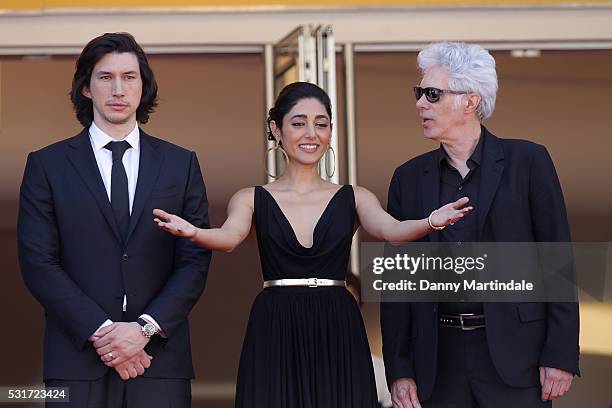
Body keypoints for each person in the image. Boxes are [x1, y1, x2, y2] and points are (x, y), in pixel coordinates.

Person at [153, 81, 470, 408]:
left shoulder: (354, 197)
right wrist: (194, 233)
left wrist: (431, 221)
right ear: (276, 129)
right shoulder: (251, 198)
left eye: (321, 124)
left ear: (331, 131)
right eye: (298, 123)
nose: (311, 133)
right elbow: (229, 237)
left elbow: (392, 230)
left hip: (337, 320)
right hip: (276, 321)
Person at [381, 42, 579, 408]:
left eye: (432, 94)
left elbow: (557, 261)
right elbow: (399, 282)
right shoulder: (407, 178)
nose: (420, 103)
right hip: (437, 362)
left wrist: (560, 354)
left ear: (470, 101)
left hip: (517, 356)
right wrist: (399, 368)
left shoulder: (528, 161)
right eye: (420, 93)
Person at [18, 32, 211, 407]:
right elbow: (38, 262)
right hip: (75, 362)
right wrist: (106, 333)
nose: (118, 89)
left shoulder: (180, 164)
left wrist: (143, 330)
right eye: (105, 77)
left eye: (130, 77)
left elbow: (194, 261)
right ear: (86, 88)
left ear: (144, 87)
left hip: (159, 361)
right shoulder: (47, 166)